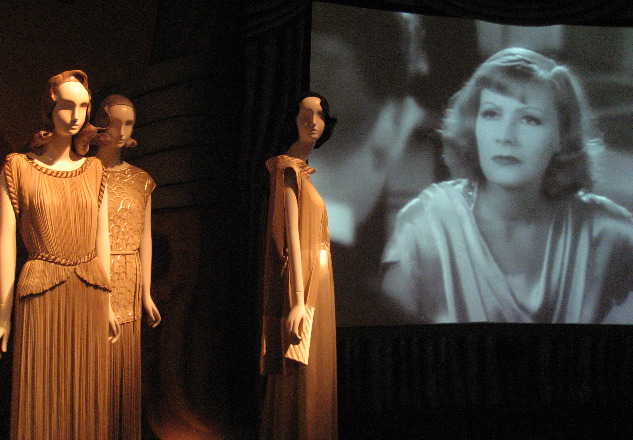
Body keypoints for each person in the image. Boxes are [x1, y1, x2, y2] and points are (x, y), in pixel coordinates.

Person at [382, 47, 633, 324]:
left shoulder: (607, 233)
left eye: (530, 119)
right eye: (491, 114)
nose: (506, 136)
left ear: (561, 137)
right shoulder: (427, 227)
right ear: (473, 125)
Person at [0, 70, 120, 439]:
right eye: (67, 105)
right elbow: (5, 241)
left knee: (86, 395)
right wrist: (3, 313)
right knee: (41, 395)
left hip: (89, 294)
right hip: (41, 294)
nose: (76, 115)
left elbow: (103, 237)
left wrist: (110, 302)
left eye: (83, 106)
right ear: (49, 109)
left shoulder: (94, 169)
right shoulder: (18, 166)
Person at [260, 92, 338, 439]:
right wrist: (296, 302)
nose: (312, 122)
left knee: (316, 373)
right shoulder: (288, 167)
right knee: (301, 373)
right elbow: (288, 237)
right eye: (305, 114)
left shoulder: (302, 172)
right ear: (292, 118)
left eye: (319, 115)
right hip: (304, 287)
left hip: (318, 285)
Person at [92, 94, 161, 440]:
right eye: (114, 122)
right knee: (95, 366)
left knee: (125, 371)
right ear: (100, 122)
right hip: (92, 275)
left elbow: (145, 237)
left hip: (131, 278)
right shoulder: (85, 173)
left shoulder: (142, 179)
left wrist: (147, 291)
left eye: (128, 123)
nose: (120, 131)